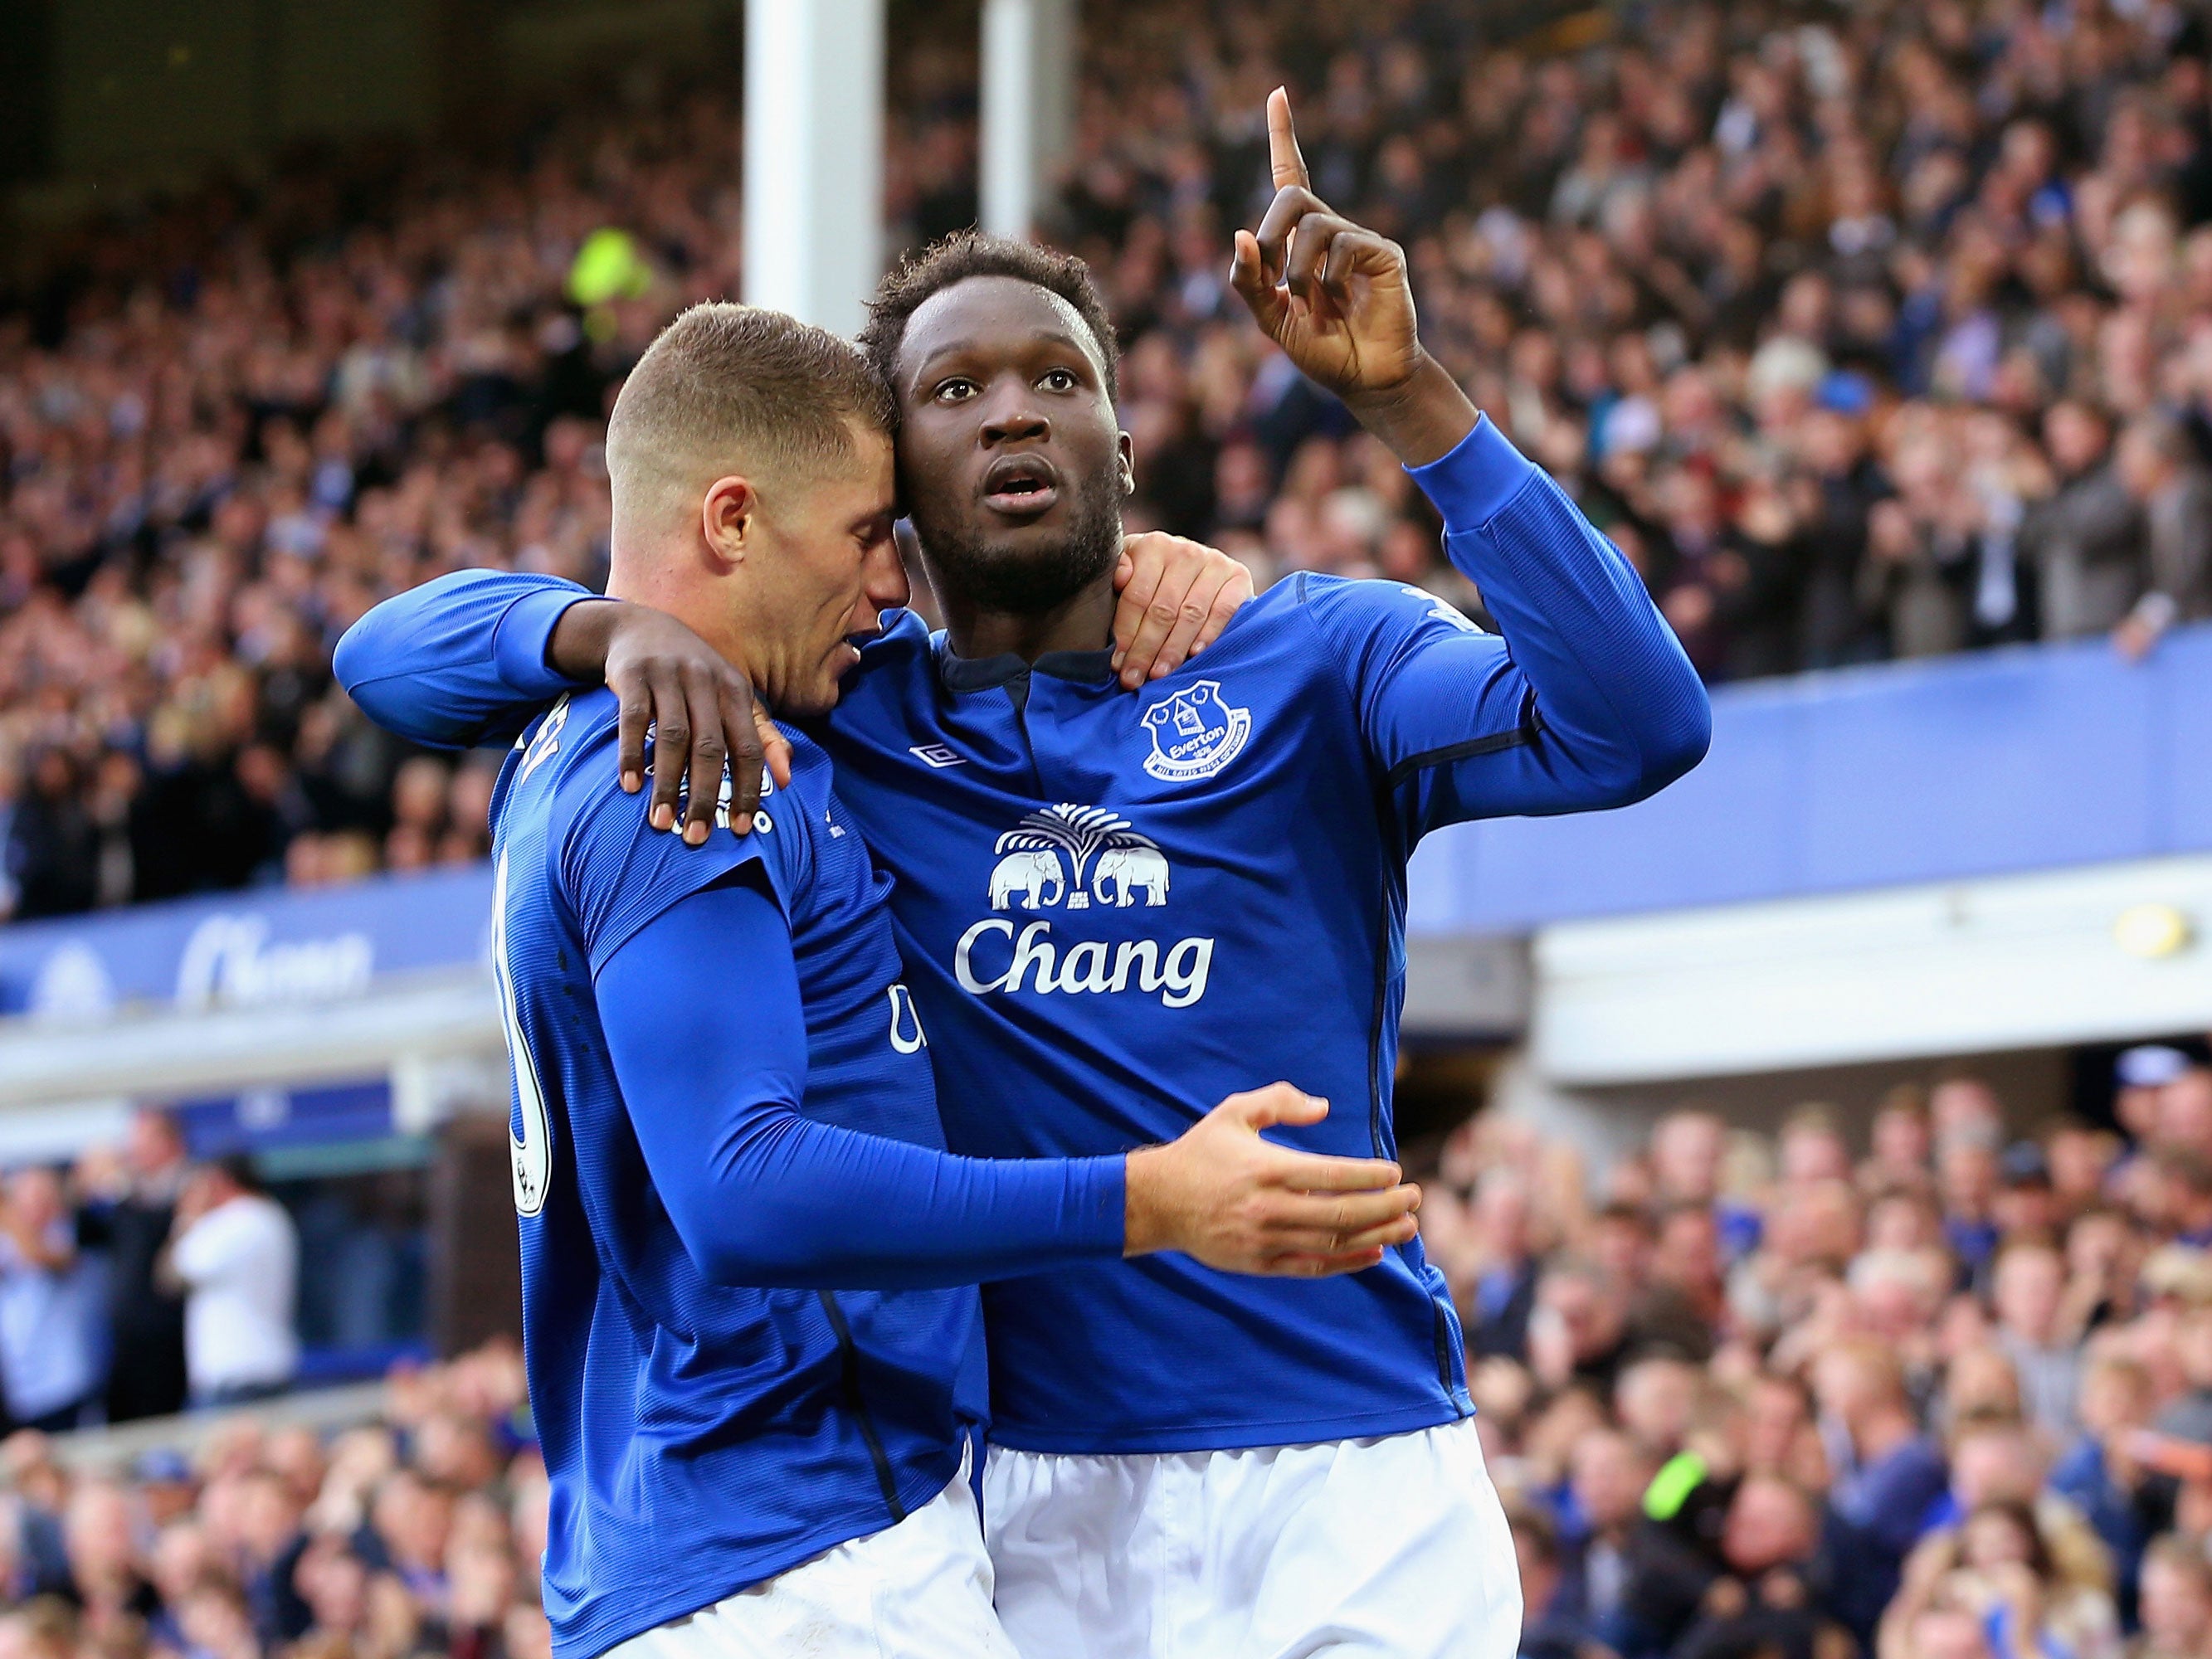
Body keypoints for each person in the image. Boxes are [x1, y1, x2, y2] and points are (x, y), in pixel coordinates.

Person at [338, 89, 1709, 1657]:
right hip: (1018, 1510)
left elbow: (1638, 725)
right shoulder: (820, 719)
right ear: (891, 484)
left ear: (1122, 444)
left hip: (1346, 1459)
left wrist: (1415, 410)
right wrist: (605, 628)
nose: (1012, 412)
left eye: (1059, 379)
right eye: (953, 388)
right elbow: (386, 654)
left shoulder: (1313, 657)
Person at [357, 299, 1420, 1659]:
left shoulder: (587, 731)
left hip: (712, 1545)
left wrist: (599, 634)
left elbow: (372, 654)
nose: (886, 591)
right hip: (803, 1558)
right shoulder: (695, 767)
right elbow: (740, 1187)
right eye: (869, 537)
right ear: (732, 522)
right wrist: (1148, 1199)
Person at [77, 1107, 191, 1423]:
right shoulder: (128, 1197)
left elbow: (156, 1231)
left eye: (143, 1139)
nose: (134, 1149)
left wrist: (120, 1187)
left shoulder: (189, 1186)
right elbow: (86, 1234)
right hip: (124, 1347)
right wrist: (88, 1184)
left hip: (164, 1344)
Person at [161, 1156, 299, 1408]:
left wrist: (188, 1216)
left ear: (221, 1181)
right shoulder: (270, 1214)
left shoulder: (234, 1221)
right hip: (263, 1365)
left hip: (236, 1376)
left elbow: (170, 1276)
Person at [0, 1168, 110, 1433]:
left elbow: (42, 1256)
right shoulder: (10, 1241)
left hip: (66, 1382)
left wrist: (5, 1210)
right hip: (23, 1386)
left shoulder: (71, 1232)